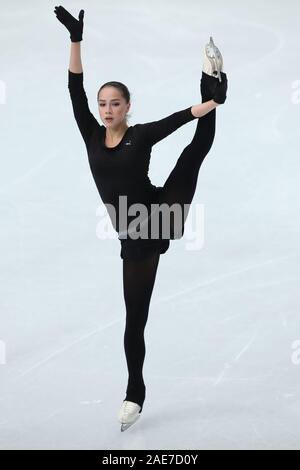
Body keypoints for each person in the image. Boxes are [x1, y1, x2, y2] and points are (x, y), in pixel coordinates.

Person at [54, 6, 228, 431]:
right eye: (103, 104)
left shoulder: (140, 134)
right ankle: (136, 394)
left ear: (128, 106)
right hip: (135, 235)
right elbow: (74, 88)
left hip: (162, 212)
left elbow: (180, 119)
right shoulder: (91, 133)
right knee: (135, 321)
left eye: (115, 103)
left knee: (193, 153)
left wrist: (210, 101)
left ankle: (213, 81)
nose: (106, 109)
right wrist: (76, 40)